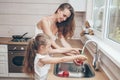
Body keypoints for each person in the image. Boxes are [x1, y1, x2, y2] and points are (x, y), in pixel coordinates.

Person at [23, 33, 87, 80]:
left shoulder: (44, 52)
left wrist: (73, 49)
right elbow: (62, 59)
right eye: (49, 46)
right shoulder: (42, 59)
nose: (50, 48)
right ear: (42, 47)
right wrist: (77, 57)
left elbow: (59, 50)